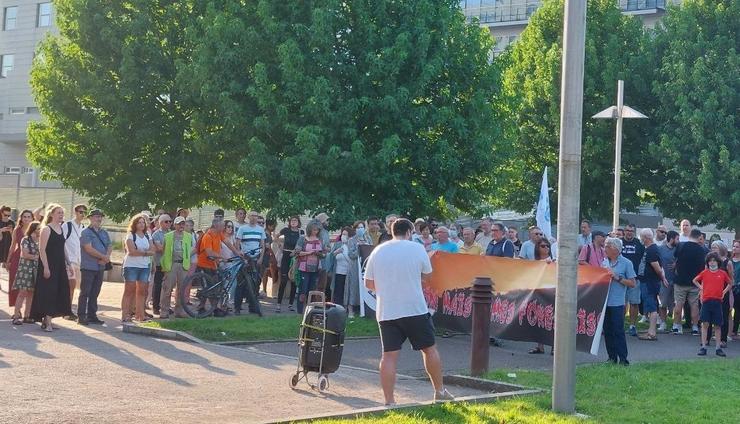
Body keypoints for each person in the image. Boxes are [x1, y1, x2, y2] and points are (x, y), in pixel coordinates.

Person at [364, 218, 454, 405]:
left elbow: (369, 283)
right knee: (429, 349)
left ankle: (389, 401)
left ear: (391, 230)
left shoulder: (378, 250)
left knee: (388, 356)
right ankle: (439, 391)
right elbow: (428, 276)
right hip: (414, 308)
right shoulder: (417, 248)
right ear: (409, 232)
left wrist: (387, 289)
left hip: (387, 310)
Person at [30, 204, 72, 331]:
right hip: (48, 264)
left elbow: (63, 247)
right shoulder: (46, 229)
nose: (61, 215)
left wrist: (69, 264)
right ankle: (47, 321)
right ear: (51, 214)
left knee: (59, 291)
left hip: (59, 265)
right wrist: (46, 267)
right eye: (59, 213)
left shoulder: (61, 228)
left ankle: (49, 319)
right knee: (48, 292)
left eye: (62, 213)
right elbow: (42, 250)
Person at [602, 237, 636, 365]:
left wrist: (617, 277)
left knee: (618, 331)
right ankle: (611, 357)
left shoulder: (626, 263)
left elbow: (632, 283)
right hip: (605, 302)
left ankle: (623, 359)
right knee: (608, 331)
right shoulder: (604, 262)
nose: (605, 249)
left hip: (617, 302)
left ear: (615, 249)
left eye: (607, 246)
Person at [198, 219, 242, 314]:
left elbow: (228, 243)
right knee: (209, 287)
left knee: (215, 286)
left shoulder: (219, 234)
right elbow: (209, 252)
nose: (224, 228)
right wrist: (222, 257)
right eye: (222, 226)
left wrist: (237, 252)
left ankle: (214, 308)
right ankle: (203, 308)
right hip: (205, 264)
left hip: (214, 263)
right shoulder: (208, 236)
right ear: (216, 226)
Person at [694, 252, 732, 357]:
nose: (712, 262)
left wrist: (724, 292)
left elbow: (730, 283)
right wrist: (702, 288)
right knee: (705, 324)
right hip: (706, 301)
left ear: (718, 262)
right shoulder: (705, 272)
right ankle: (703, 347)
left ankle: (718, 348)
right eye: (710, 261)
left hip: (717, 301)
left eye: (714, 260)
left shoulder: (722, 273)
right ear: (707, 262)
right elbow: (695, 280)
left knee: (718, 325)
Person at [77, 210, 111, 325]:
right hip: (88, 266)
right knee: (85, 292)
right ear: (90, 218)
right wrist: (103, 257)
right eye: (97, 216)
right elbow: (88, 248)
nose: (99, 219)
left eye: (100, 217)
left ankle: (92, 315)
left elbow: (109, 246)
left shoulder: (104, 233)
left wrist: (106, 257)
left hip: (100, 267)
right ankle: (81, 316)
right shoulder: (85, 232)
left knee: (95, 292)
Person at [121, 214, 155, 322]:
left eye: (143, 222)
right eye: (139, 222)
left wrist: (141, 252)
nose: (141, 224)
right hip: (131, 266)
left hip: (144, 266)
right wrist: (146, 252)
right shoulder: (130, 235)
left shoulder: (148, 235)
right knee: (129, 291)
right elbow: (131, 252)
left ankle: (140, 316)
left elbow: (152, 250)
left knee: (142, 292)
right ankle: (125, 315)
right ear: (134, 224)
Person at [672, 229, 706, 335]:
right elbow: (702, 267)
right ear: (698, 237)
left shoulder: (681, 246)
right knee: (694, 305)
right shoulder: (701, 250)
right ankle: (695, 327)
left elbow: (675, 257)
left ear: (690, 235)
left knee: (678, 304)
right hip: (694, 282)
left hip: (680, 281)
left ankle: (676, 326)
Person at [160, 216, 194, 319]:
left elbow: (190, 249)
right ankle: (164, 311)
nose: (181, 226)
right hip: (171, 264)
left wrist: (187, 262)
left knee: (181, 289)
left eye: (183, 224)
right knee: (167, 288)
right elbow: (164, 251)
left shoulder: (188, 236)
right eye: (179, 224)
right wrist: (165, 267)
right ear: (175, 225)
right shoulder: (168, 236)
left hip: (183, 265)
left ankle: (179, 311)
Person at [637, 228, 667, 341]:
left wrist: (662, 278)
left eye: (642, 237)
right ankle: (650, 329)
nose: (641, 239)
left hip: (650, 282)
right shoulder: (650, 249)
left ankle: (652, 333)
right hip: (647, 281)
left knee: (652, 307)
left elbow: (657, 267)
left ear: (646, 238)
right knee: (650, 306)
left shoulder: (652, 250)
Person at [10, 221, 41, 325]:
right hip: (25, 269)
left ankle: (27, 316)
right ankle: (16, 316)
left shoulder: (40, 240)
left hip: (35, 269)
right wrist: (38, 257)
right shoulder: (26, 239)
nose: (40, 231)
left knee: (31, 293)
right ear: (33, 229)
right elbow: (25, 254)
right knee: (22, 292)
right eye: (38, 229)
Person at [528, 237, 555, 354]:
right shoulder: (535, 263)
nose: (546, 248)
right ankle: (540, 346)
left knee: (552, 321)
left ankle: (555, 346)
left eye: (547, 246)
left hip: (551, 293)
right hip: (538, 293)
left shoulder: (553, 262)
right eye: (543, 246)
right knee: (539, 320)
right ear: (537, 248)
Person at [706, 240, 734, 347]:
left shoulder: (728, 262)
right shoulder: (709, 262)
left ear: (721, 249)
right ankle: (706, 339)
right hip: (710, 293)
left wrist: (726, 291)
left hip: (723, 293)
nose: (713, 250)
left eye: (715, 248)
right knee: (708, 316)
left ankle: (723, 340)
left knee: (723, 316)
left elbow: (731, 281)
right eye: (712, 248)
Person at [295, 221, 325, 314]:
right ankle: (300, 311)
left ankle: (310, 310)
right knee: (303, 289)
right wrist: (309, 253)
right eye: (314, 230)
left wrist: (319, 254)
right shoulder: (302, 239)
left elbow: (324, 254)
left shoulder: (320, 239)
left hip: (315, 268)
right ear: (309, 229)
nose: (315, 232)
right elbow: (297, 252)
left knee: (312, 289)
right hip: (304, 268)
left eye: (317, 230)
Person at [236, 211, 266, 302]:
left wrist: (261, 257)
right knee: (241, 282)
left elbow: (262, 245)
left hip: (256, 258)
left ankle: (252, 303)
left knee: (255, 281)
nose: (254, 217)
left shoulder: (260, 230)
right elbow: (237, 244)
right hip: (245, 257)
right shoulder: (242, 229)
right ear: (248, 217)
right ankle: (238, 305)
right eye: (252, 215)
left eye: (256, 216)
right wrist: (241, 255)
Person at [621, 224, 644, 337]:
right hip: (620, 279)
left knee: (634, 303)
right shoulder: (618, 242)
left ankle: (632, 326)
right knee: (622, 304)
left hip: (634, 278)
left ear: (634, 232)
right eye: (627, 230)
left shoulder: (639, 244)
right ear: (624, 231)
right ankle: (620, 325)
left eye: (631, 231)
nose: (629, 232)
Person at [7, 209, 33, 307]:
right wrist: (8, 261)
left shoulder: (36, 230)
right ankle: (17, 309)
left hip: (31, 259)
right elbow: (13, 246)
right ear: (21, 218)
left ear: (32, 218)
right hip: (17, 258)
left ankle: (29, 312)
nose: (26, 219)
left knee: (29, 287)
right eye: (24, 217)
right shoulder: (16, 230)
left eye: (28, 217)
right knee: (14, 282)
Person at [276, 216, 302, 313]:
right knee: (283, 280)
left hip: (295, 256)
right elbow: (276, 236)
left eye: (295, 220)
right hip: (286, 255)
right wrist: (279, 245)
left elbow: (303, 243)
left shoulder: (301, 232)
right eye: (292, 220)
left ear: (298, 222)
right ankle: (278, 304)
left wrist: (296, 252)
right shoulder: (285, 230)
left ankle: (291, 304)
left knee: (294, 280)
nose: (294, 222)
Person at [657, 231, 679, 332]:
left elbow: (682, 261)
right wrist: (661, 276)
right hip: (663, 280)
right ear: (671, 239)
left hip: (676, 280)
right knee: (663, 303)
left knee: (675, 304)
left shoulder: (678, 249)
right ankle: (663, 323)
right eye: (677, 239)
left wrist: (676, 264)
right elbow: (656, 263)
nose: (678, 241)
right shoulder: (661, 249)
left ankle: (676, 324)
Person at [150, 214, 171, 316]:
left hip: (169, 263)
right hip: (159, 263)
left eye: (170, 221)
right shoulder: (156, 234)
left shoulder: (171, 233)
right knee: (158, 285)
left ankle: (165, 307)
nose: (168, 223)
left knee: (168, 286)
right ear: (161, 223)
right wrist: (171, 249)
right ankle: (155, 307)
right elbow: (159, 248)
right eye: (166, 221)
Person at [330, 227, 353, 305]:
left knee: (346, 290)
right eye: (342, 234)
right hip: (338, 271)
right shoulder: (338, 244)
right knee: (337, 290)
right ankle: (336, 306)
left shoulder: (352, 245)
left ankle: (346, 306)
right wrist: (335, 252)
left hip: (348, 272)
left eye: (345, 235)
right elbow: (331, 256)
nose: (343, 236)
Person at [260, 219, 278, 299]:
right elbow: (267, 246)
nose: (274, 228)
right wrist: (273, 256)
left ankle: (265, 290)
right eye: (273, 226)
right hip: (265, 256)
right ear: (269, 226)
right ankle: (264, 290)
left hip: (267, 255)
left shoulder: (268, 233)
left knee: (266, 273)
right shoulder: (266, 235)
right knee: (265, 273)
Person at [314, 212, 332, 291]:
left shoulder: (326, 232)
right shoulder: (315, 231)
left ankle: (320, 301)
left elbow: (328, 245)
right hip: (315, 260)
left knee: (322, 283)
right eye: (326, 220)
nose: (327, 222)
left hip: (324, 260)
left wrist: (328, 248)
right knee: (314, 283)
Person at [0, 205, 15, 290]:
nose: (7, 217)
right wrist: (1, 230)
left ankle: (12, 285)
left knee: (9, 267)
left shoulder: (11, 223)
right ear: (1, 213)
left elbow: (15, 236)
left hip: (8, 247)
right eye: (5, 215)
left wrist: (11, 231)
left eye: (9, 215)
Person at [731, 240, 740, 338]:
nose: (734, 248)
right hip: (729, 288)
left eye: (737, 247)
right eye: (734, 246)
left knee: (737, 310)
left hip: (738, 289)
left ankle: (735, 330)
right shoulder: (730, 260)